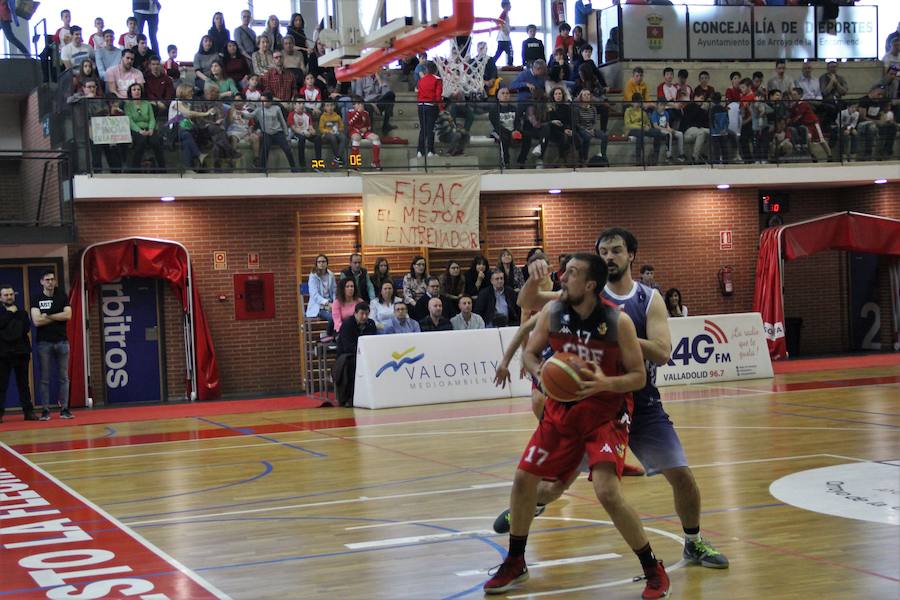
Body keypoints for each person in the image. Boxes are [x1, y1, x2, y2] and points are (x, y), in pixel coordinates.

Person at [499, 229, 730, 578]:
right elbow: (528, 303)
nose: (610, 256)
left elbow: (664, 352)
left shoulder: (646, 300)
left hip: (642, 401)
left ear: (631, 256)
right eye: (604, 251)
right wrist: (534, 275)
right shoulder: (583, 290)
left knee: (681, 475)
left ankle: (693, 541)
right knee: (551, 486)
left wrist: (615, 335)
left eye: (617, 250)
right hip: (592, 405)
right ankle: (530, 508)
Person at [481, 252, 669, 598]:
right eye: (563, 272)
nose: (562, 278)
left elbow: (638, 377)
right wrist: (543, 376)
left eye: (570, 273)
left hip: (605, 413)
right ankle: (516, 560)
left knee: (607, 492)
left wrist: (604, 384)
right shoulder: (554, 312)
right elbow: (532, 353)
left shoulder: (618, 322)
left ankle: (652, 567)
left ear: (590, 284)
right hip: (561, 409)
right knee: (524, 479)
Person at [30, 270, 72, 421]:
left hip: (62, 342)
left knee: (64, 377)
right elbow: (36, 321)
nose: (50, 282)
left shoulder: (62, 296)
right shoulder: (36, 299)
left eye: (52, 279)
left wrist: (47, 316)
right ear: (42, 282)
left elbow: (68, 315)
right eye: (47, 280)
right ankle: (46, 410)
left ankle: (65, 409)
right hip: (44, 343)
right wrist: (57, 316)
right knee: (45, 378)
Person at [0, 284, 38, 423]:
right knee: (1, 385)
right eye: (6, 295)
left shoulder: (22, 312)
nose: (9, 297)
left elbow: (24, 329)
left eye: (11, 294)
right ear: (1, 297)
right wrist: (10, 314)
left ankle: (28, 412)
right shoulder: (8, 313)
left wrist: (10, 324)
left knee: (23, 384)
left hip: (21, 353)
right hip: (3, 354)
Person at [333, 302, 376, 406]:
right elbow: (348, 346)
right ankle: (349, 397)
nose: (364, 317)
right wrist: (362, 354)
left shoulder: (371, 324)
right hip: (347, 355)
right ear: (355, 313)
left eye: (366, 314)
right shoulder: (347, 324)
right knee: (352, 365)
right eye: (362, 314)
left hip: (366, 355)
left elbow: (373, 341)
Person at [251, 90, 298, 172]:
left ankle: (294, 168)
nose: (262, 102)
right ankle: (262, 170)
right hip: (267, 134)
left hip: (278, 133)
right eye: (261, 100)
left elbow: (283, 122)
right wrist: (242, 115)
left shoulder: (277, 108)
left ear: (270, 101)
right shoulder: (259, 109)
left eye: (264, 100)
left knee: (287, 149)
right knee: (265, 149)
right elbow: (250, 115)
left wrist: (287, 135)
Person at [124, 83, 165, 172]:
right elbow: (129, 121)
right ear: (130, 92)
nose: (136, 91)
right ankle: (135, 169)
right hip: (136, 130)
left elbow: (152, 118)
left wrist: (151, 129)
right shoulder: (128, 105)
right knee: (141, 142)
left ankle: (163, 168)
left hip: (149, 129)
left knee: (156, 142)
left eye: (138, 89)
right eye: (134, 90)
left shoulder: (147, 104)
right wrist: (139, 130)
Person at [351, 69, 397, 134]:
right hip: (367, 102)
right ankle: (370, 130)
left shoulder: (381, 77)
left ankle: (386, 125)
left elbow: (386, 93)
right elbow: (359, 97)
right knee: (369, 107)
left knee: (391, 95)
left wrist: (380, 82)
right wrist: (372, 104)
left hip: (379, 101)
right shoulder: (361, 78)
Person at [347, 96, 382, 169]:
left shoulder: (366, 113)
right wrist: (358, 113)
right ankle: (355, 164)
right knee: (356, 138)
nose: (361, 105)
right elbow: (350, 123)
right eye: (358, 104)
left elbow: (369, 126)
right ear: (353, 105)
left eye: (362, 104)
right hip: (354, 130)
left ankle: (375, 162)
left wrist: (366, 128)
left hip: (364, 132)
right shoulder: (350, 112)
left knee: (376, 138)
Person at [416, 61, 442, 158]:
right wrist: (441, 108)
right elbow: (438, 96)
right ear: (435, 70)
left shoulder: (421, 80)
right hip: (431, 106)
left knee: (423, 129)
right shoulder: (437, 79)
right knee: (430, 129)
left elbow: (418, 94)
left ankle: (420, 151)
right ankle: (430, 151)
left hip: (421, 106)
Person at [288, 100, 322, 171]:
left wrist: (313, 132)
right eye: (299, 103)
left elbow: (311, 127)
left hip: (307, 132)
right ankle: (302, 165)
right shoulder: (291, 114)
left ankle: (318, 165)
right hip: (297, 134)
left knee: (318, 138)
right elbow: (294, 128)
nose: (302, 105)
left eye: (303, 103)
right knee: (302, 138)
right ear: (294, 105)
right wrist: (304, 133)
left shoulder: (307, 115)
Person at [306, 254, 336, 323]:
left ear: (327, 263)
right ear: (316, 264)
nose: (321, 263)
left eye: (323, 261)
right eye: (319, 262)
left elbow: (334, 291)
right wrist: (327, 303)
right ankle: (329, 334)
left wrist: (335, 303)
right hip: (319, 306)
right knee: (332, 318)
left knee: (342, 316)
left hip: (331, 304)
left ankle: (337, 334)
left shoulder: (331, 275)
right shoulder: (313, 276)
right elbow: (314, 294)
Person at [494, 1, 513, 67]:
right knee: (510, 53)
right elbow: (498, 22)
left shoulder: (505, 14)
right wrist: (504, 30)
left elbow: (500, 22)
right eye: (509, 5)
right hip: (504, 39)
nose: (511, 6)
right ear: (505, 6)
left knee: (498, 54)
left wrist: (508, 28)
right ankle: (510, 66)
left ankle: (492, 64)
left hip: (502, 38)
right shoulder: (504, 13)